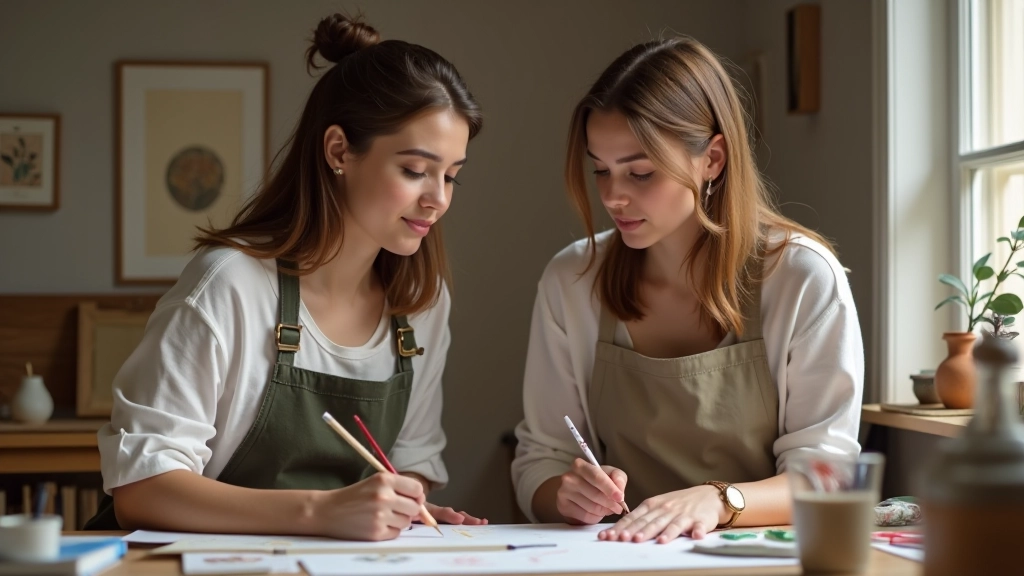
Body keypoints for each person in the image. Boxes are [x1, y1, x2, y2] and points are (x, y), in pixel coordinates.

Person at [86, 13, 485, 541]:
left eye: (451, 175)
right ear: (339, 150)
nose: (438, 198)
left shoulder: (421, 303)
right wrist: (320, 513)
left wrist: (400, 504)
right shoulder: (228, 286)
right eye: (414, 170)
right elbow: (142, 490)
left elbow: (409, 464)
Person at [511, 36, 863, 544]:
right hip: (619, 555)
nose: (613, 195)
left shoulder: (803, 278)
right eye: (601, 170)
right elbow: (539, 457)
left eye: (640, 172)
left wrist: (719, 500)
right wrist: (561, 494)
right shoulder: (572, 280)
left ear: (713, 159)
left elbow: (826, 475)